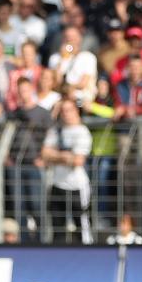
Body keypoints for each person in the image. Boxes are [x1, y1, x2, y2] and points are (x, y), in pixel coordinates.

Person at [41, 99, 93, 244]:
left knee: (82, 226)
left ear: (76, 111)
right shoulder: (55, 131)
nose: (66, 114)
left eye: (69, 110)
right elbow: (44, 154)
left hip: (77, 186)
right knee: (57, 228)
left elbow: (78, 161)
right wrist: (64, 156)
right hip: (57, 184)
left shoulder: (82, 132)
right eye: (63, 111)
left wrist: (55, 155)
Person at [8, 78, 52, 240]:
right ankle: (24, 242)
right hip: (15, 164)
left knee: (36, 204)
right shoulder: (14, 114)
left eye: (25, 90)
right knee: (19, 206)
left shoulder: (42, 113)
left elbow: (51, 137)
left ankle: (41, 241)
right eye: (20, 91)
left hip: (34, 164)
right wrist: (7, 157)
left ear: (31, 90)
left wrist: (44, 158)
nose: (23, 94)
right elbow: (7, 136)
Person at [48, 26, 98, 107]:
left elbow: (83, 83)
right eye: (67, 37)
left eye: (73, 37)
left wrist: (68, 88)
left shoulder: (88, 57)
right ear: (63, 39)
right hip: (60, 97)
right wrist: (62, 59)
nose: (70, 40)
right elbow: (55, 82)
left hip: (81, 98)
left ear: (80, 39)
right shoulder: (55, 58)